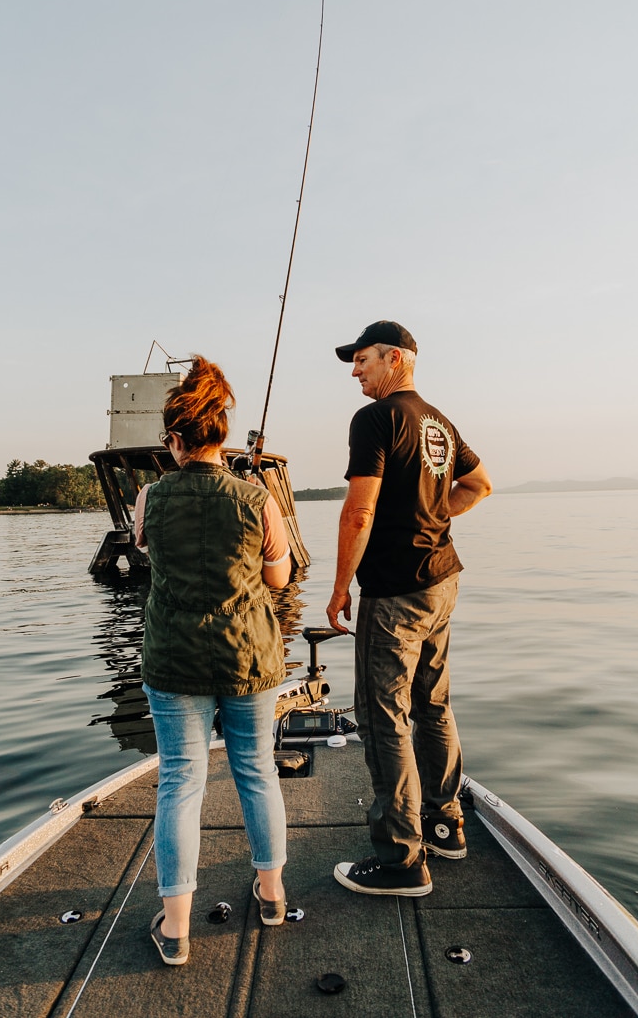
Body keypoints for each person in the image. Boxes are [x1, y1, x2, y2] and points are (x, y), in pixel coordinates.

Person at [326, 320, 492, 897]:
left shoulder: (375, 419)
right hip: (442, 580)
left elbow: (357, 513)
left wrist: (341, 586)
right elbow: (480, 485)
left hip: (395, 590)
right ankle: (446, 825)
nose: (355, 370)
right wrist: (433, 518)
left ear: (395, 358)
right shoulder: (438, 422)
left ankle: (400, 858)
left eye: (363, 359)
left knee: (381, 714)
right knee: (433, 703)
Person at [135, 355, 292, 965]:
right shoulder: (257, 500)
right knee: (257, 771)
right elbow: (278, 579)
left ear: (175, 439)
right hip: (248, 659)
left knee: (180, 783)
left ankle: (175, 928)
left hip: (174, 662)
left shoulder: (150, 497)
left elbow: (152, 551)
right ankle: (272, 894)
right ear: (222, 434)